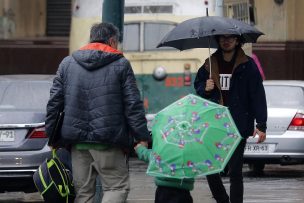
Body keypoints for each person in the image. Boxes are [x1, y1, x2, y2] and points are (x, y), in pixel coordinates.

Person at [45, 22, 150, 203]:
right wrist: (142, 136)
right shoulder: (121, 64)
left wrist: (52, 138)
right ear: (112, 41)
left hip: (77, 143)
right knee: (116, 187)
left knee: (83, 193)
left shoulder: (67, 64)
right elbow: (133, 105)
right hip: (109, 140)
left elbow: (54, 104)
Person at [194, 34, 267, 203]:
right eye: (223, 38)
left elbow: (257, 95)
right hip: (214, 124)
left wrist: (261, 124)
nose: (226, 41)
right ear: (218, 40)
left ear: (237, 40)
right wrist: (205, 87)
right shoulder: (209, 63)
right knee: (211, 168)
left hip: (238, 125)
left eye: (231, 38)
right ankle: (222, 200)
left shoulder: (247, 65)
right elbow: (198, 86)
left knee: (235, 172)